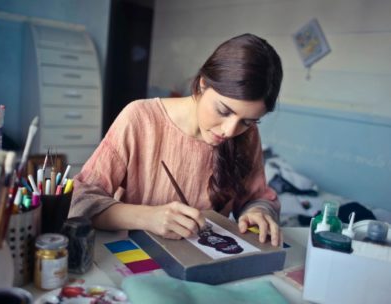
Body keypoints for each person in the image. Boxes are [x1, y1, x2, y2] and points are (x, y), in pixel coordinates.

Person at [69, 33, 283, 246]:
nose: (229, 130)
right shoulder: (140, 118)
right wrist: (147, 217)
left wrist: (258, 210)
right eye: (223, 110)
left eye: (247, 121)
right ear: (202, 84)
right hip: (136, 255)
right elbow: (81, 200)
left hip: (206, 262)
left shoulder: (246, 134)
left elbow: (257, 196)